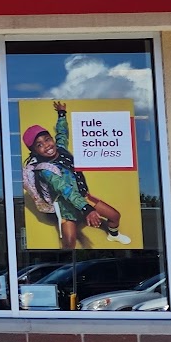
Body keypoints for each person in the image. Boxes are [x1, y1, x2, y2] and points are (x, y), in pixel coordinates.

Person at [22, 101, 121, 251]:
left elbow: (62, 133)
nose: (47, 145)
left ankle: (113, 235)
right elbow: (66, 190)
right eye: (39, 145)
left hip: (84, 197)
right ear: (34, 151)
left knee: (115, 216)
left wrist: (61, 114)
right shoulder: (46, 170)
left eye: (47, 139)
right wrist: (87, 209)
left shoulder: (61, 149)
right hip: (66, 206)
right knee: (69, 244)